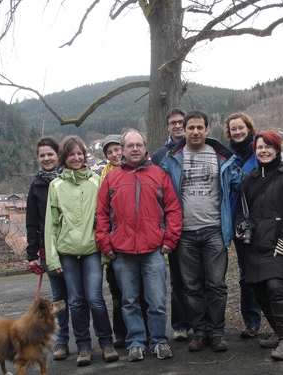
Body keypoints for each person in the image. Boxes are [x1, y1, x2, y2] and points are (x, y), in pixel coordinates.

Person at [161, 110, 244, 353]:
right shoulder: (172, 159)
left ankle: (217, 332)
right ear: (183, 131)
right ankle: (200, 331)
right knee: (191, 286)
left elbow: (242, 183)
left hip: (214, 231)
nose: (195, 132)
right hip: (184, 233)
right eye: (191, 128)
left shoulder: (221, 157)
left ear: (207, 130)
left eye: (200, 127)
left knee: (216, 285)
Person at [96, 130, 182, 362]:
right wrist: (106, 243)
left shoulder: (159, 175)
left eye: (139, 145)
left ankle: (159, 340)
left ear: (145, 148)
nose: (135, 148)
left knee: (156, 300)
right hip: (122, 252)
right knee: (129, 301)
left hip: (153, 249)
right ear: (122, 150)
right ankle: (136, 341)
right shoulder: (111, 179)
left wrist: (169, 239)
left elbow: (173, 209)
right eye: (130, 145)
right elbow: (101, 215)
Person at [45, 135, 119, 367]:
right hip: (67, 252)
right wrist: (52, 257)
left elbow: (104, 219)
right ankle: (84, 347)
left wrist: (106, 251)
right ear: (64, 158)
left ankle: (107, 343)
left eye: (79, 154)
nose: (76, 158)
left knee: (95, 298)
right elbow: (52, 225)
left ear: (85, 156)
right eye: (71, 154)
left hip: (92, 250)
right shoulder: (55, 185)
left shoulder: (96, 181)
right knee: (76, 301)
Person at [238, 130, 283, 360]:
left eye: (268, 146)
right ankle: (278, 332)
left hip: (279, 242)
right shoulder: (250, 178)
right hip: (254, 243)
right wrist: (239, 227)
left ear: (277, 149)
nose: (263, 151)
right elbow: (242, 210)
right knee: (257, 288)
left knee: (275, 286)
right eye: (259, 148)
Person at [98, 134, 149, 348]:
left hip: (140, 243)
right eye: (109, 152)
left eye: (117, 150)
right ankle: (122, 333)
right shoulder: (103, 178)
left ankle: (145, 331)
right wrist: (105, 244)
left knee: (144, 292)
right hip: (114, 244)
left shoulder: (144, 171)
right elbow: (101, 214)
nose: (114, 154)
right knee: (119, 294)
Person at [26, 136, 70, 361]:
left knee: (80, 297)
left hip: (73, 247)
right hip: (48, 250)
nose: (46, 158)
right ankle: (62, 341)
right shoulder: (37, 186)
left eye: (50, 154)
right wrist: (32, 254)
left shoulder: (69, 179)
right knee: (59, 297)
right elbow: (32, 222)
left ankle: (84, 341)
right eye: (42, 155)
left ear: (58, 155)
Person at [151, 108, 190, 341]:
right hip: (172, 226)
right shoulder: (158, 156)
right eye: (173, 122)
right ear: (167, 126)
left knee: (201, 278)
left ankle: (202, 323)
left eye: (181, 122)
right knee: (177, 279)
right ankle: (180, 324)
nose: (178, 126)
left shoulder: (199, 149)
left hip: (199, 222)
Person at [224, 113, 262, 339]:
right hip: (239, 220)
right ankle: (251, 321)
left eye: (241, 128)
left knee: (270, 271)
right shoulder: (228, 156)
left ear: (249, 128)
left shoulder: (260, 150)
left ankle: (279, 320)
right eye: (234, 129)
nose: (238, 132)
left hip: (264, 220)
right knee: (246, 274)